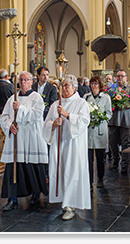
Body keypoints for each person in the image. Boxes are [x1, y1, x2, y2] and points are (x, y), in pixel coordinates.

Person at [43, 75, 91, 220]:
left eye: (67, 85)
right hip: (59, 145)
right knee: (60, 170)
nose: (64, 88)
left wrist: (67, 115)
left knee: (71, 172)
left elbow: (84, 121)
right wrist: (53, 124)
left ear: (74, 87)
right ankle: (63, 201)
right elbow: (46, 123)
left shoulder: (81, 103)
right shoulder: (55, 104)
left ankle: (70, 206)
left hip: (73, 145)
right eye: (63, 85)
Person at [0, 71, 48, 211]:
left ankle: (35, 193)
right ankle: (12, 199)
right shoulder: (12, 98)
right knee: (13, 169)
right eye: (20, 80)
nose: (22, 82)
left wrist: (20, 108)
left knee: (32, 168)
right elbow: (4, 116)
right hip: (16, 139)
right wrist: (10, 125)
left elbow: (36, 116)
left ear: (31, 81)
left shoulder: (36, 97)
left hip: (31, 138)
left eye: (26, 80)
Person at [107, 69, 130, 174]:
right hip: (113, 120)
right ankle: (115, 160)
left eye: (122, 76)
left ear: (126, 77)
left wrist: (125, 105)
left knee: (126, 144)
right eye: (118, 76)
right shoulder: (112, 89)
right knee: (112, 142)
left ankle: (124, 164)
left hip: (126, 120)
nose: (120, 78)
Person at [83, 75, 110, 188]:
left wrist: (100, 117)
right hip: (89, 130)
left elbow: (109, 113)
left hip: (100, 130)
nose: (93, 86)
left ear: (100, 85)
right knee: (88, 159)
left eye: (96, 84)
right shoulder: (86, 97)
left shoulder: (106, 97)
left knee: (100, 158)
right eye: (92, 84)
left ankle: (100, 178)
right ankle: (89, 182)